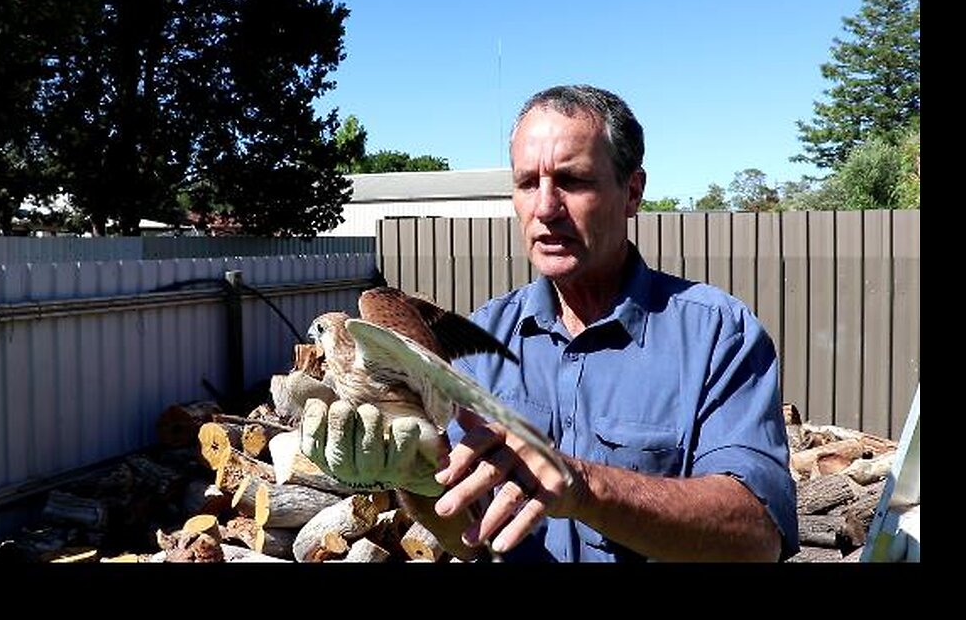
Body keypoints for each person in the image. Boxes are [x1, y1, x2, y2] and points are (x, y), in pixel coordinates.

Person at [300, 84, 799, 562]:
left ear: (632, 191)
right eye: (526, 184)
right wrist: (418, 481)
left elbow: (756, 536)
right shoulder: (483, 337)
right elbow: (468, 537)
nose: (544, 208)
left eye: (572, 180)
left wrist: (586, 488)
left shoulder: (717, 334)